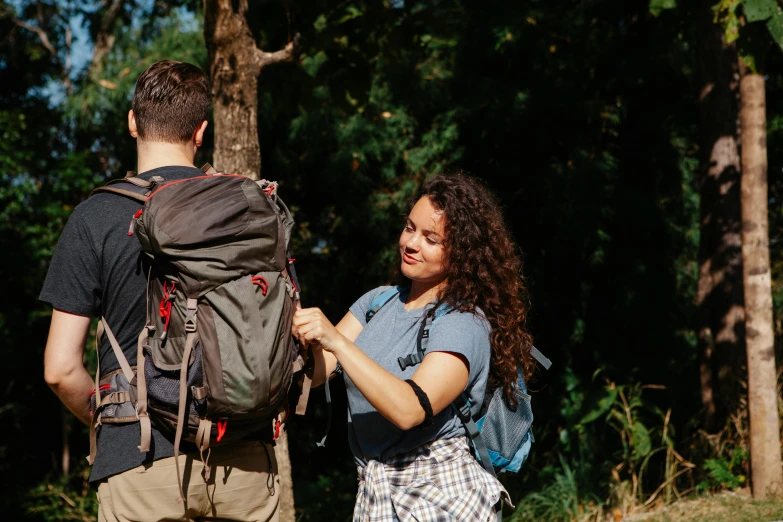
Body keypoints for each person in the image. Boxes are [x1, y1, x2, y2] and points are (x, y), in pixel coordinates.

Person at [40, 60, 279, 522]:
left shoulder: (95, 217)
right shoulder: (249, 208)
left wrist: (110, 419)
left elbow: (59, 369)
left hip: (138, 458)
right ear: (201, 131)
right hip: (242, 455)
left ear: (132, 122)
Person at [292, 173, 535, 521]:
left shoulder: (464, 322)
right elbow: (317, 374)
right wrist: (309, 338)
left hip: (441, 495)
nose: (411, 243)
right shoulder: (377, 302)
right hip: (375, 489)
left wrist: (335, 340)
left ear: (462, 252)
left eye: (430, 238)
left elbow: (410, 409)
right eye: (409, 228)